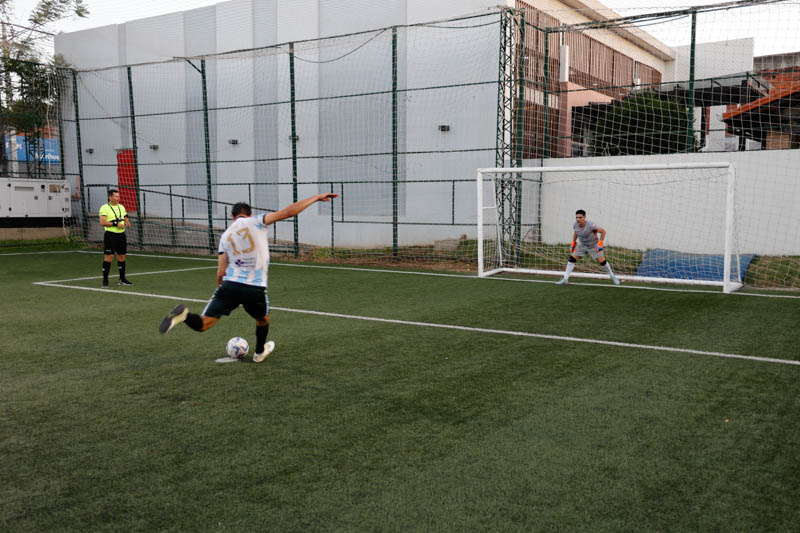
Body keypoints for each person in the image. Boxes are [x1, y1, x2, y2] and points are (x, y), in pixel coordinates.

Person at [158, 192, 339, 362]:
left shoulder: (226, 235)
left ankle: (184, 316)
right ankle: (259, 353)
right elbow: (287, 212)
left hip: (229, 286)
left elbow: (220, 272)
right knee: (263, 319)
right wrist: (315, 198)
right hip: (254, 288)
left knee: (204, 324)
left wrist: (222, 293)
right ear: (249, 214)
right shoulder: (256, 221)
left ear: (232, 216)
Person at [556, 209, 619, 286]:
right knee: (571, 259)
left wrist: (600, 243)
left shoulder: (591, 225)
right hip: (582, 245)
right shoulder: (575, 224)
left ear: (584, 217)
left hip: (593, 245)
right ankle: (565, 279)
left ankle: (612, 276)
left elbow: (603, 231)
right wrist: (573, 243)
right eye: (577, 217)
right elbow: (576, 232)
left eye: (580, 217)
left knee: (602, 262)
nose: (578, 219)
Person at [99, 188, 133, 287]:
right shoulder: (104, 208)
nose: (119, 198)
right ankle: (105, 280)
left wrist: (127, 221)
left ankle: (122, 279)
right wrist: (115, 224)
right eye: (116, 196)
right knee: (109, 257)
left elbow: (125, 216)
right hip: (110, 235)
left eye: (119, 196)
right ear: (110, 197)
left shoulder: (121, 207)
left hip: (121, 235)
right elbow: (102, 222)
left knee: (122, 256)